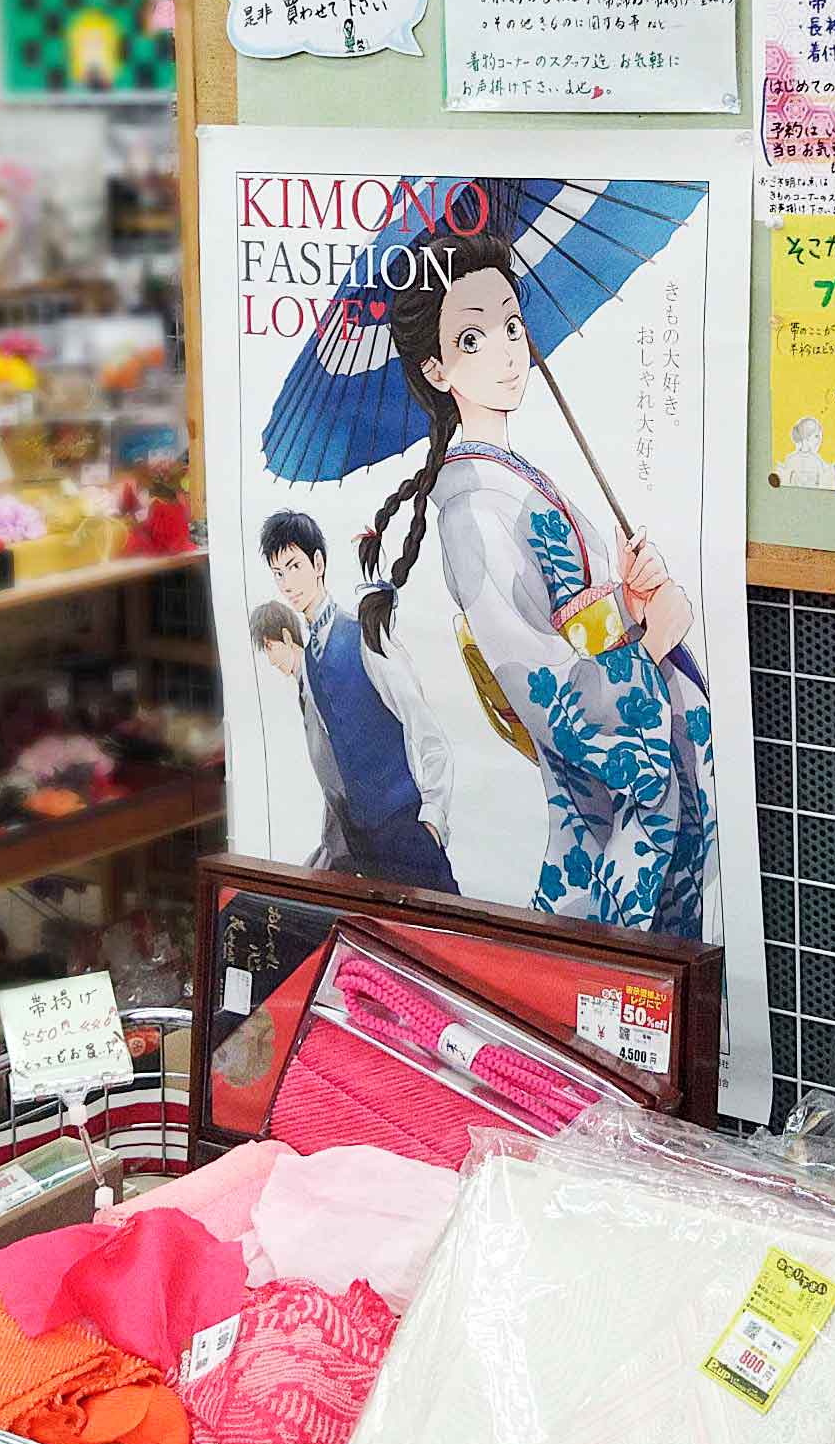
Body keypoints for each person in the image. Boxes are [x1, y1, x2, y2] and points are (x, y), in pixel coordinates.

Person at [357, 232, 713, 938]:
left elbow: (577, 616)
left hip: (634, 757)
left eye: (512, 324)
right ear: (434, 369)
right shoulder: (473, 509)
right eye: (472, 337)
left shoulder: (512, 478)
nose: (505, 349)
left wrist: (629, 599)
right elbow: (549, 691)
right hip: (605, 799)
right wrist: (652, 639)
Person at [251, 504, 457, 890]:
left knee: (450, 935)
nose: (287, 584)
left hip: (405, 828)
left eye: (294, 567)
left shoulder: (364, 635)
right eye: (278, 574)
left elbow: (422, 725)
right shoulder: (307, 656)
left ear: (319, 563)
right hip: (362, 844)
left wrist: (433, 816)